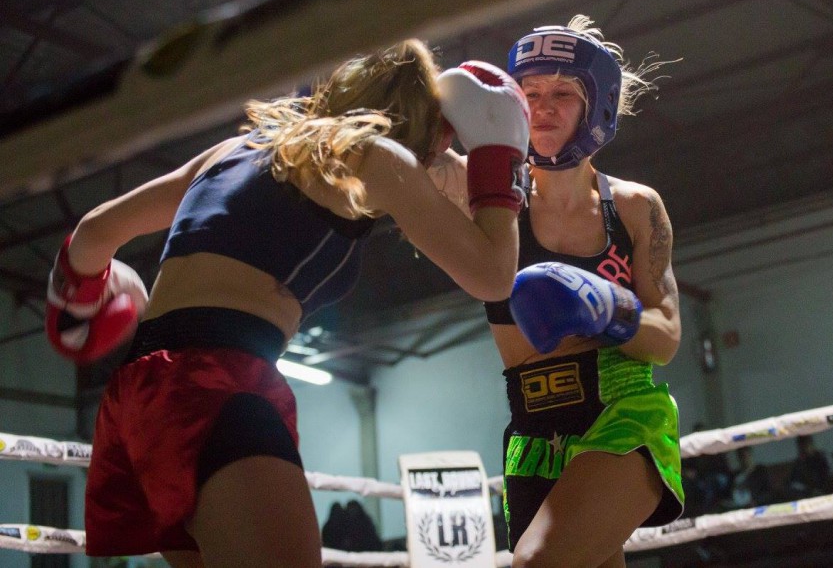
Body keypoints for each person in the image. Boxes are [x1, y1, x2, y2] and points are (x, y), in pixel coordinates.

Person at [44, 42, 530, 567]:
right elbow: (493, 276)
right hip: (216, 384)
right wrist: (500, 156)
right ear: (425, 126)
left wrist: (90, 294)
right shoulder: (377, 158)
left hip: (137, 399)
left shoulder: (236, 151)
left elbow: (93, 233)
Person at [430, 16, 683, 568]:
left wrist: (607, 309)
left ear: (598, 106)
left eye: (563, 93)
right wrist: (434, 110)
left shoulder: (636, 207)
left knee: (536, 563)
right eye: (531, 92)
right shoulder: (483, 190)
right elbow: (404, 163)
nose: (543, 106)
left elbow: (665, 338)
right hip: (533, 425)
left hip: (622, 412)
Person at [784, 434, 831, 500]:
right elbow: (792, 481)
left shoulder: (821, 458)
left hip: (822, 490)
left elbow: (828, 477)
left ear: (811, 443)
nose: (803, 448)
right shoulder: (799, 462)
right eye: (801, 445)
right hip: (805, 493)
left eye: (805, 444)